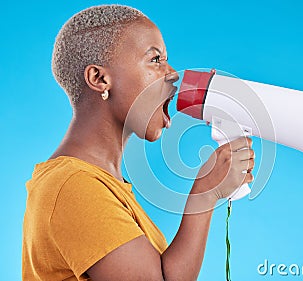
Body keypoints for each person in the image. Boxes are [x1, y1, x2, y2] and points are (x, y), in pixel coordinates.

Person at [22, 4, 254, 281]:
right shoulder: (73, 186)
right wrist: (205, 193)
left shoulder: (102, 184)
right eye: (155, 60)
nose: (172, 73)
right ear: (100, 79)